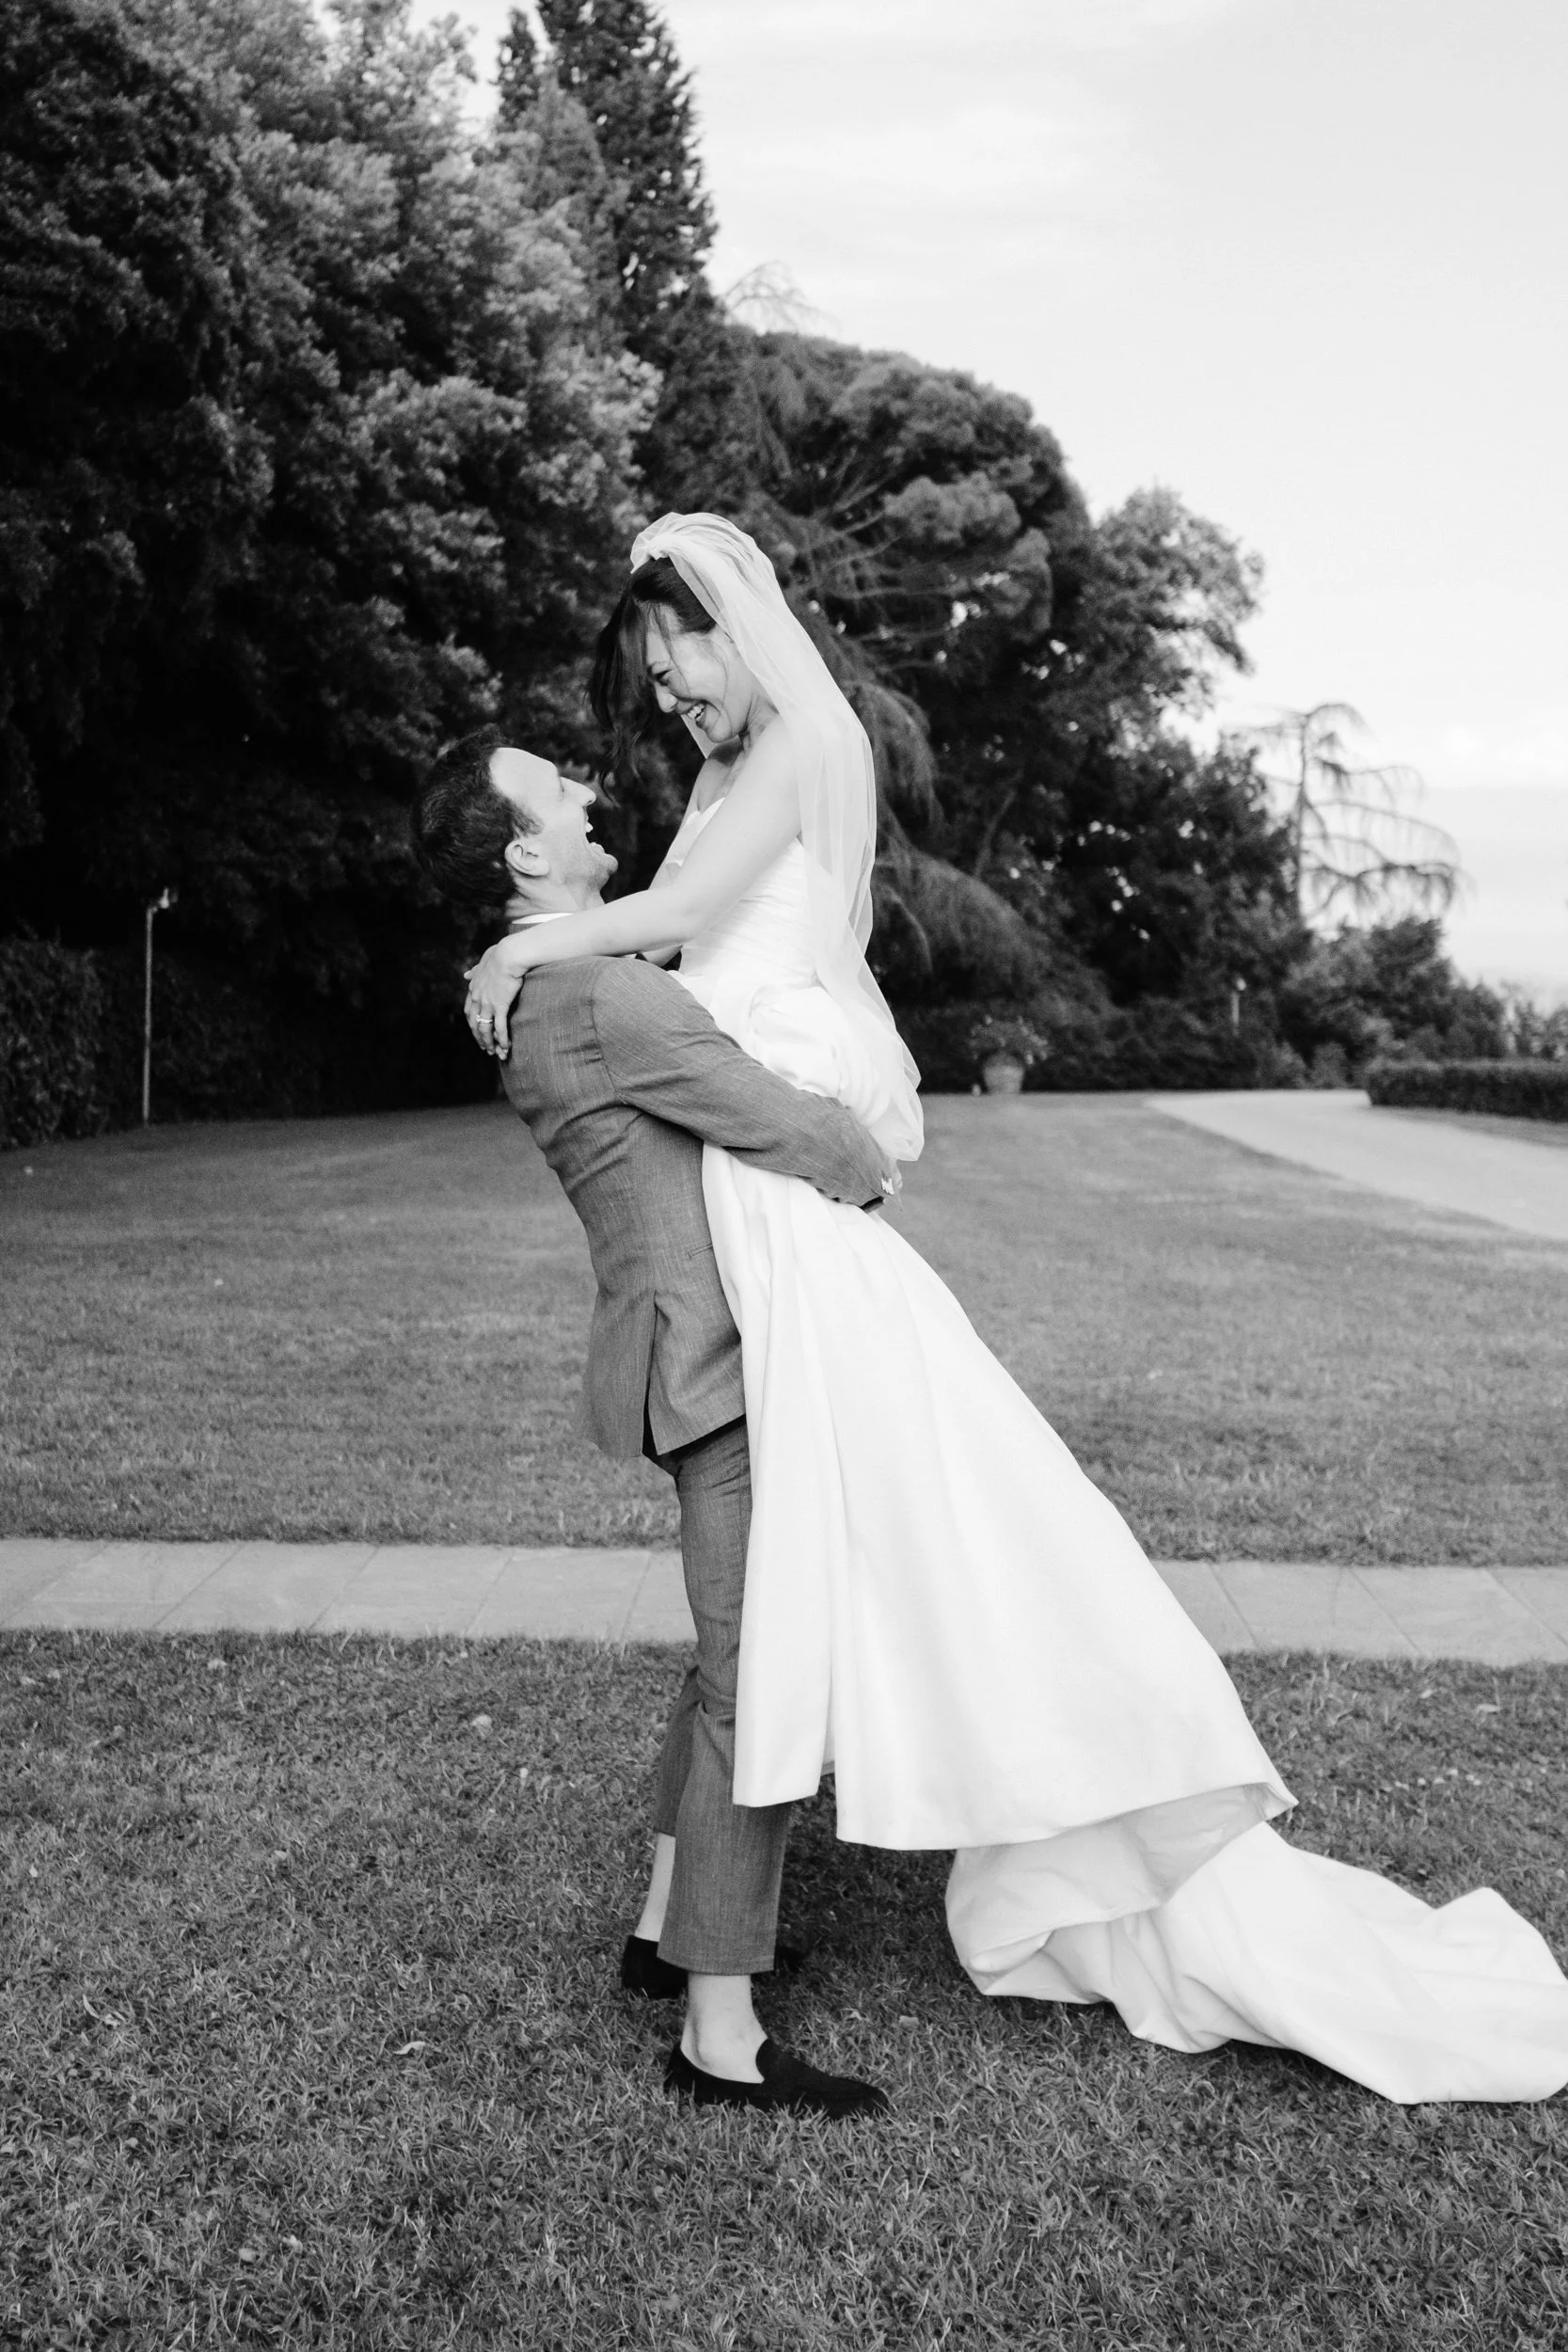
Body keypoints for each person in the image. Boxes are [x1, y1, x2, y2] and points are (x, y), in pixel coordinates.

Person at [456, 514, 1568, 2106]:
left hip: (770, 1215)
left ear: (735, 631)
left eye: (675, 660)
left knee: (788, 1618)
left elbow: (666, 942)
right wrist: (561, 941)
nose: (665, 701)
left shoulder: (790, 756)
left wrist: (543, 936)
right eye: (647, 674)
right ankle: (710, 1987)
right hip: (754, 1230)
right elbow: (681, 984)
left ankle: (701, 1934)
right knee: (767, 1634)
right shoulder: (644, 905)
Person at [411, 731, 896, 2119]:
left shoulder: (554, 988)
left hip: (676, 1357)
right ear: (526, 855)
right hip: (716, 1370)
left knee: (724, 1658)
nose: (586, 789)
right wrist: (873, 1152)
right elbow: (798, 1131)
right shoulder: (600, 996)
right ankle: (718, 2033)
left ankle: (661, 1924)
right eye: (558, 792)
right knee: (755, 1682)